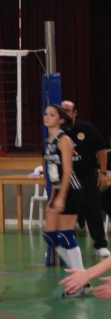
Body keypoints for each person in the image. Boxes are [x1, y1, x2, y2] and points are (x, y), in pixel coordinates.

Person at [40, 104, 89, 297]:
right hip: (59, 190)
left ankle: (80, 283)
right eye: (46, 114)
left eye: (52, 114)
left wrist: (62, 196)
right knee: (51, 237)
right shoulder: (47, 142)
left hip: (72, 191)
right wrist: (53, 195)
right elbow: (53, 171)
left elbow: (68, 170)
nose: (47, 117)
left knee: (66, 236)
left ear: (61, 119)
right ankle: (81, 277)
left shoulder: (64, 140)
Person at [61, 100, 110, 258]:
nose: (65, 114)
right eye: (62, 111)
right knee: (67, 213)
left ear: (75, 113)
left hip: (88, 176)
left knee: (92, 210)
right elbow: (45, 155)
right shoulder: (56, 132)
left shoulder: (87, 128)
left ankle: (101, 245)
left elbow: (101, 150)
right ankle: (68, 247)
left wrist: (102, 173)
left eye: (68, 111)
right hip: (67, 180)